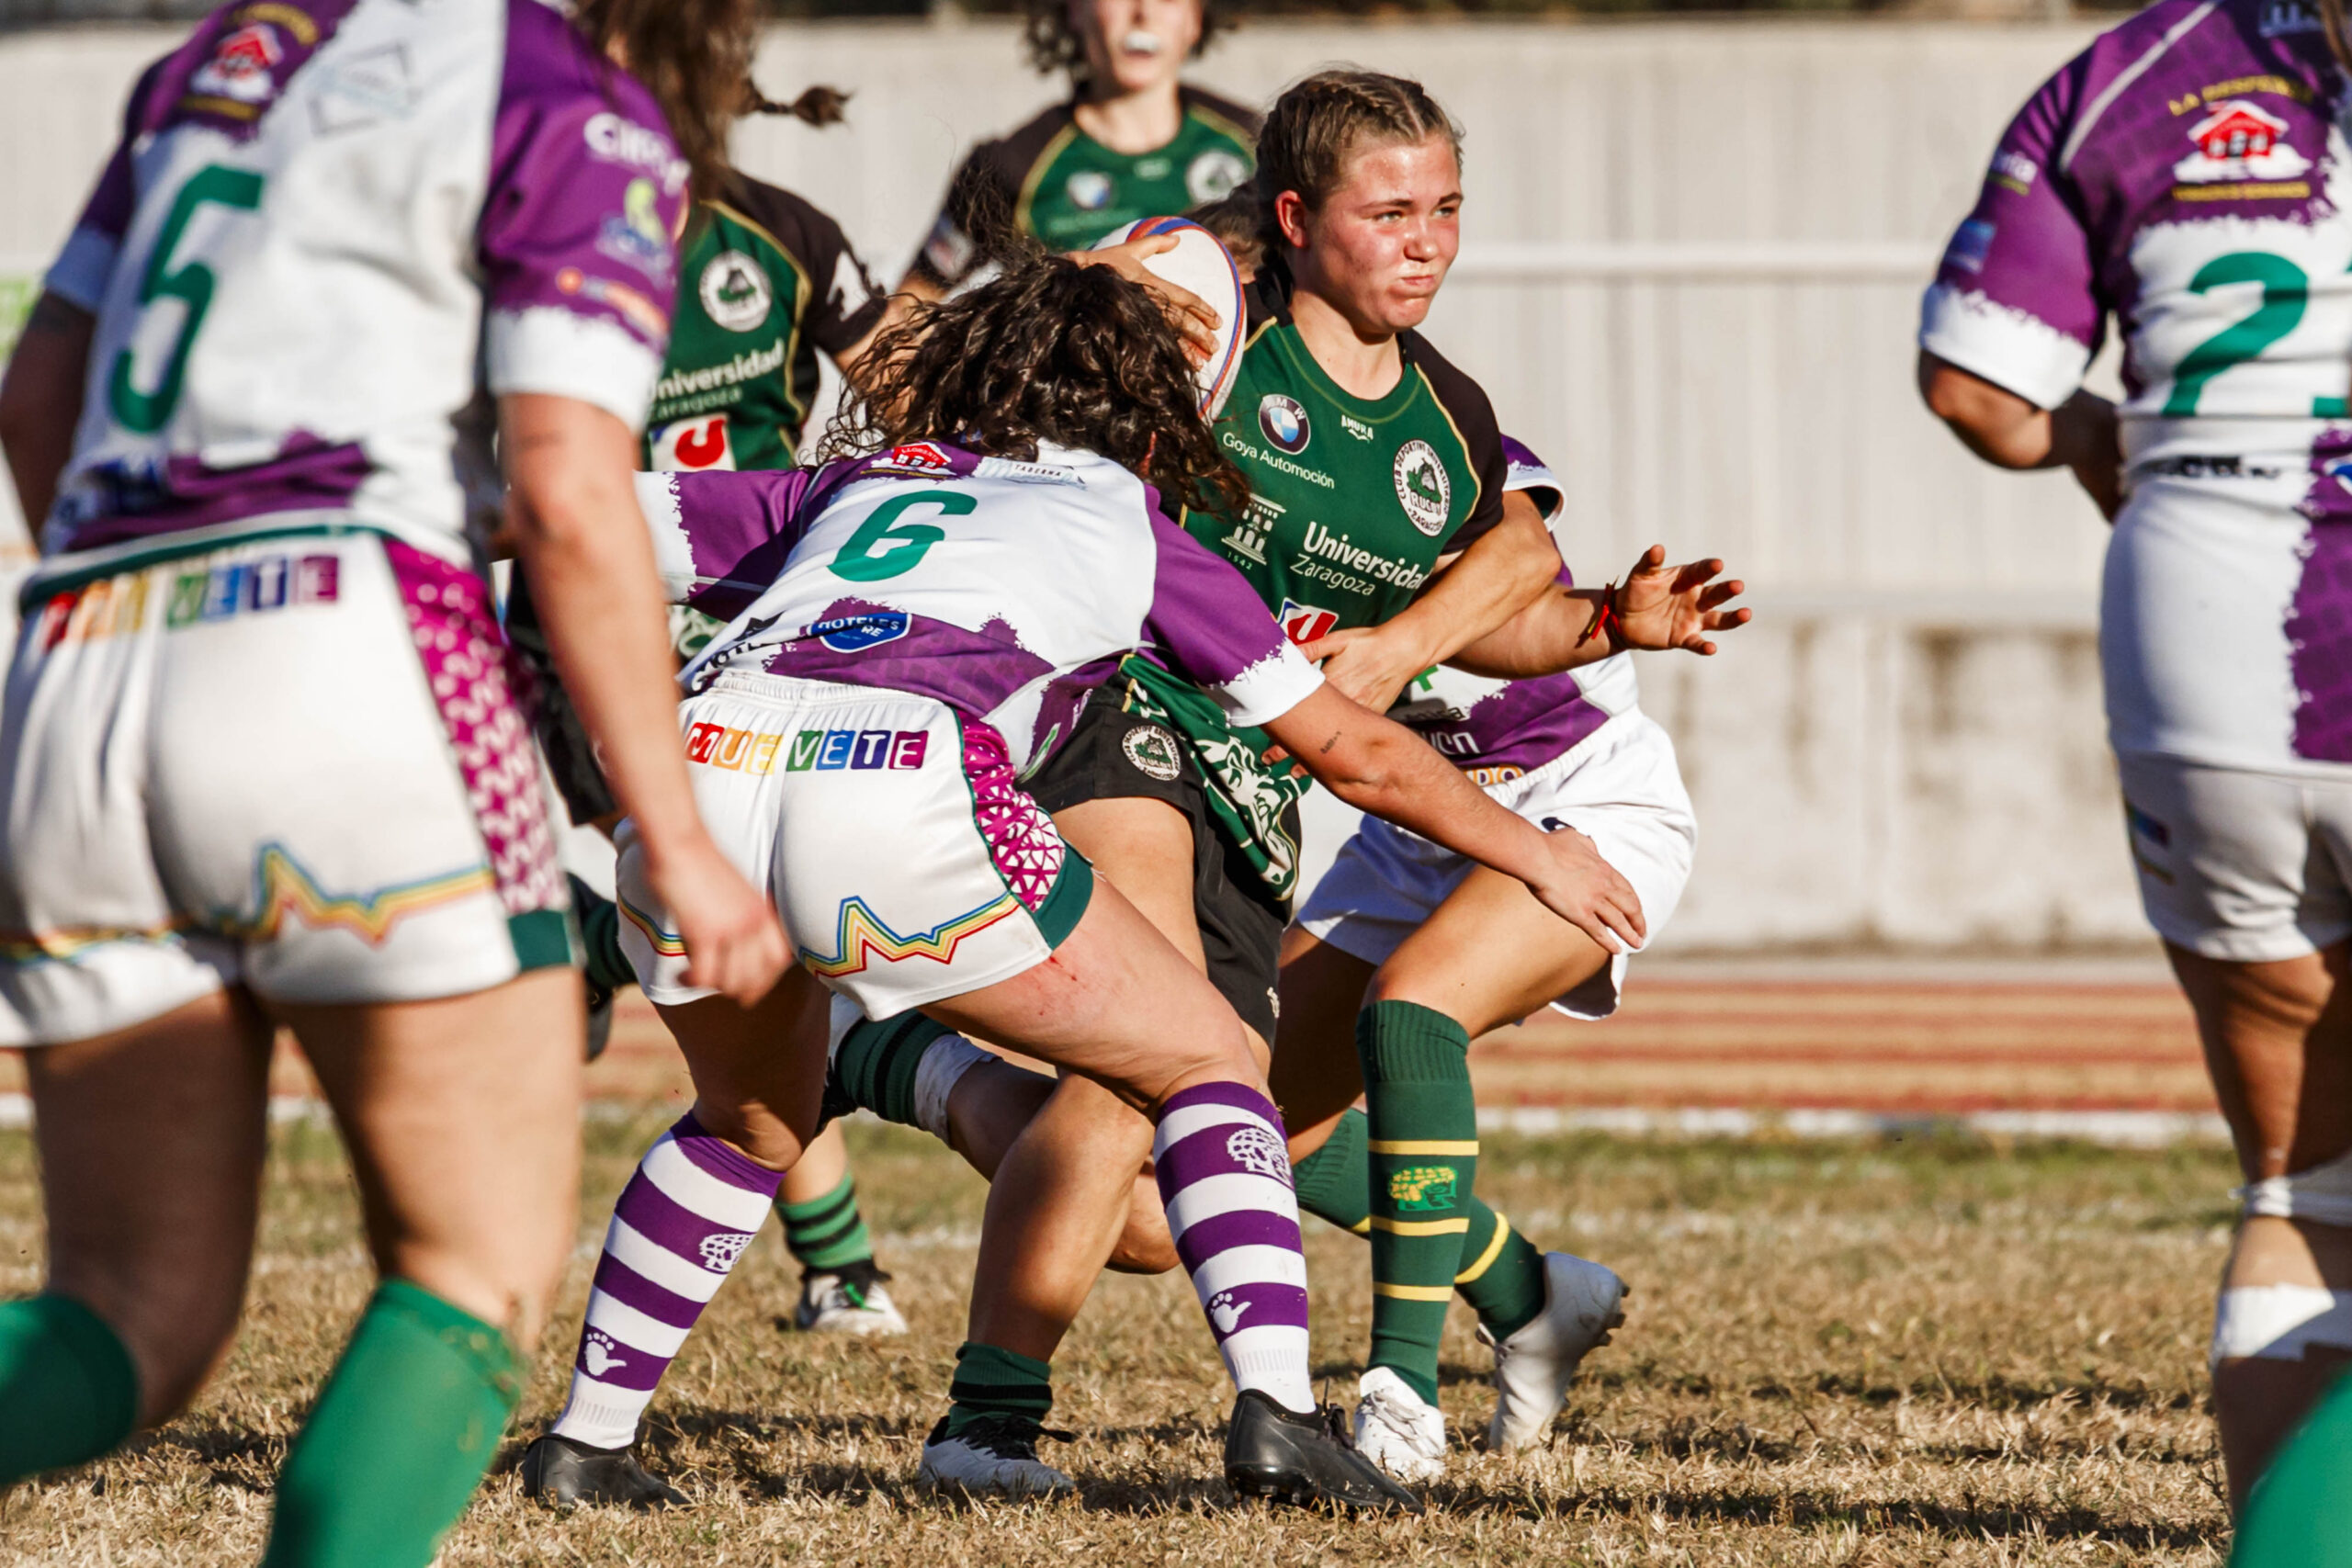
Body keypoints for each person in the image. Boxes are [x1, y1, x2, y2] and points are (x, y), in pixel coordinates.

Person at [519, 252, 1649, 1514]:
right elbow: (1356, 750)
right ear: (1159, 400)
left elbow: (565, 511)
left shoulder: (853, 476)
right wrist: (1536, 848)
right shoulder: (1131, 520)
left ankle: (589, 1438)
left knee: (748, 1118)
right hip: (900, 770)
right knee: (1211, 1057)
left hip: (698, 765)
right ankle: (1277, 1416)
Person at [0, 2, 786, 1565]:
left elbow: (36, 400)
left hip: (81, 656)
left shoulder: (215, 61)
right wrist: (681, 839)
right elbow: (570, 487)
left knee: (129, 1309)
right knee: (470, 1270)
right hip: (351, 642)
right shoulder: (562, 90)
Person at [1917, 0, 2352, 1507]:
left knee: (2305, 1188)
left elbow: (1978, 384)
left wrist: (2127, 448)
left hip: (2206, 637)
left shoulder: (2134, 73)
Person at [508, 86, 916, 1339]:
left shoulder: (784, 232)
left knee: (755, 933)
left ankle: (581, 937)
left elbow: (919, 381)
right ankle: (839, 1256)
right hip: (596, 634)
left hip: (758, 639)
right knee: (744, 929)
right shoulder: (528, 237)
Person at [1271, 436, 1741, 1478]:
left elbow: (1521, 568)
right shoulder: (1199, 486)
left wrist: (1606, 620)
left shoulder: (1403, 414)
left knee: (1411, 1011)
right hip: (1413, 820)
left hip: (1574, 797)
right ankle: (1528, 1296)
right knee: (1248, 1125)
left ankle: (1399, 1400)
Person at [899, 0, 1257, 299]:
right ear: (1075, 10)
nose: (1143, 11)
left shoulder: (1255, 144)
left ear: (1196, 18)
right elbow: (909, 309)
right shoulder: (1013, 164)